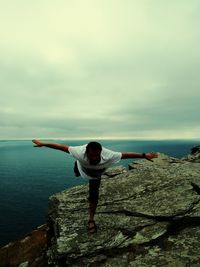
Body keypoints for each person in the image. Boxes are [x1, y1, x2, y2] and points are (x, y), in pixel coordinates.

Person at [32, 139, 158, 233]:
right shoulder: (79, 153)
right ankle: (77, 167)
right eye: (91, 155)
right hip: (83, 168)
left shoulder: (108, 155)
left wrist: (143, 155)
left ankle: (91, 220)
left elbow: (125, 155)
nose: (93, 157)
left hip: (95, 175)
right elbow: (60, 147)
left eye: (96, 155)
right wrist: (43, 143)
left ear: (100, 152)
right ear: (86, 151)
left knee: (94, 197)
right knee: (77, 167)